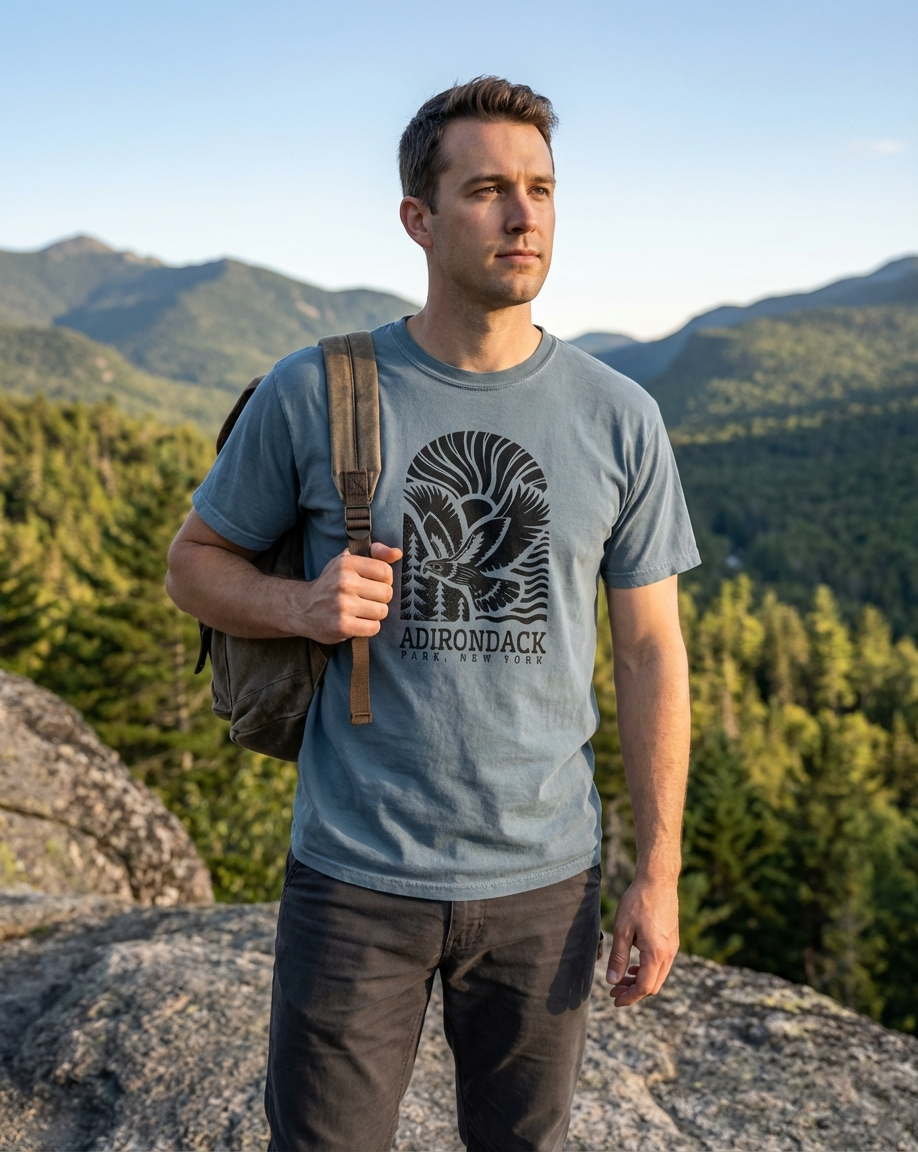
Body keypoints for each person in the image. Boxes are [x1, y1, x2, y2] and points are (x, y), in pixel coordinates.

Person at [166, 76, 699, 1152]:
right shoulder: (315, 391)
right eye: (487, 189)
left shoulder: (618, 416)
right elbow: (193, 566)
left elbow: (649, 653)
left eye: (541, 188)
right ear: (418, 217)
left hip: (546, 882)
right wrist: (302, 604)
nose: (523, 215)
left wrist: (657, 872)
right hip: (355, 876)